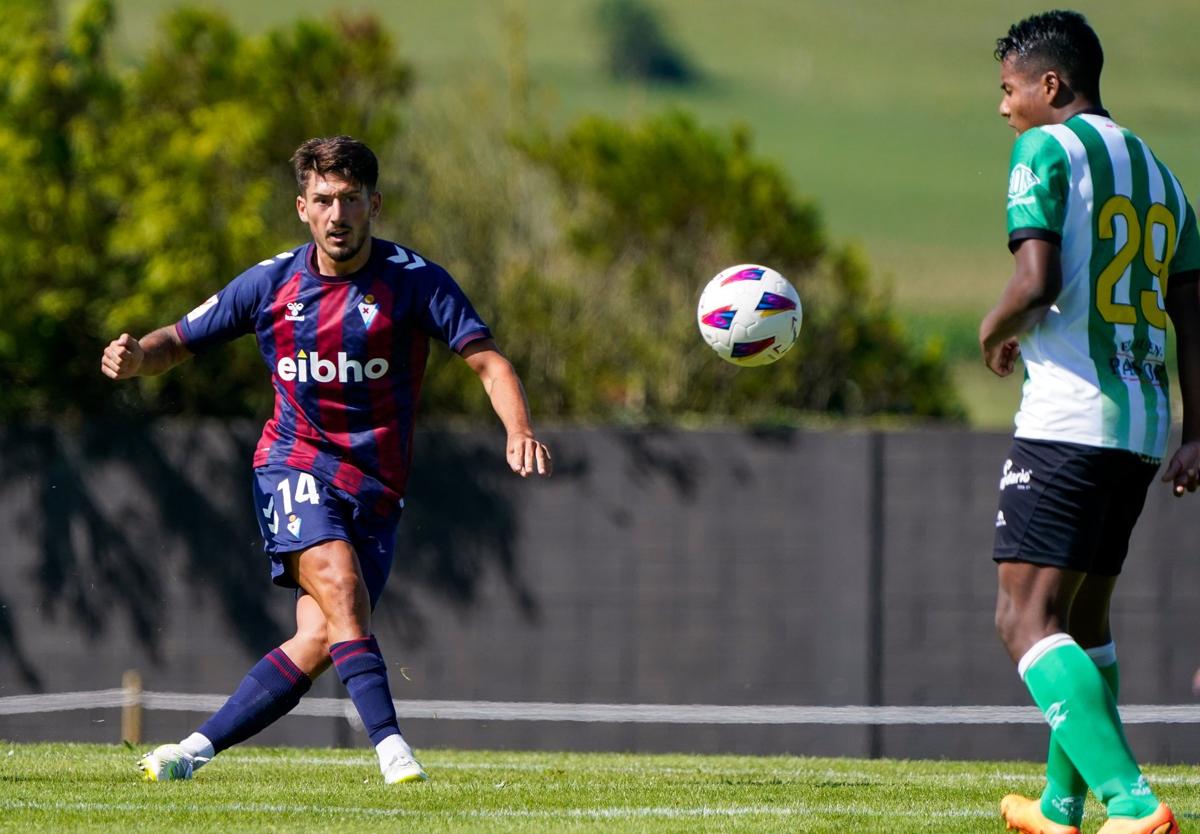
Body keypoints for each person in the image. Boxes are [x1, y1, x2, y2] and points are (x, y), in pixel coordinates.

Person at [101, 135, 552, 784]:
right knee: (341, 587)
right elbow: (177, 339)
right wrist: (138, 357)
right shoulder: (271, 283)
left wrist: (519, 428)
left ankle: (189, 754)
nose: (337, 215)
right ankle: (393, 751)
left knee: (320, 639)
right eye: (323, 201)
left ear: (375, 204)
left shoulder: (414, 282)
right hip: (294, 464)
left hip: (377, 491)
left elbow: (487, 361)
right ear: (301, 208)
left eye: (349, 200)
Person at [981, 11, 1200, 834]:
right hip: (1145, 424)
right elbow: (1195, 314)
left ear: (1051, 85)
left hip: (1070, 417)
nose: (1003, 109)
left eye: (1008, 90)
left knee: (1022, 618)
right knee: (1084, 623)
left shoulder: (1044, 150)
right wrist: (1198, 430)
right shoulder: (1164, 174)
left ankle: (1133, 805)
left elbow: (1035, 279)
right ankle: (1060, 806)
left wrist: (990, 330)